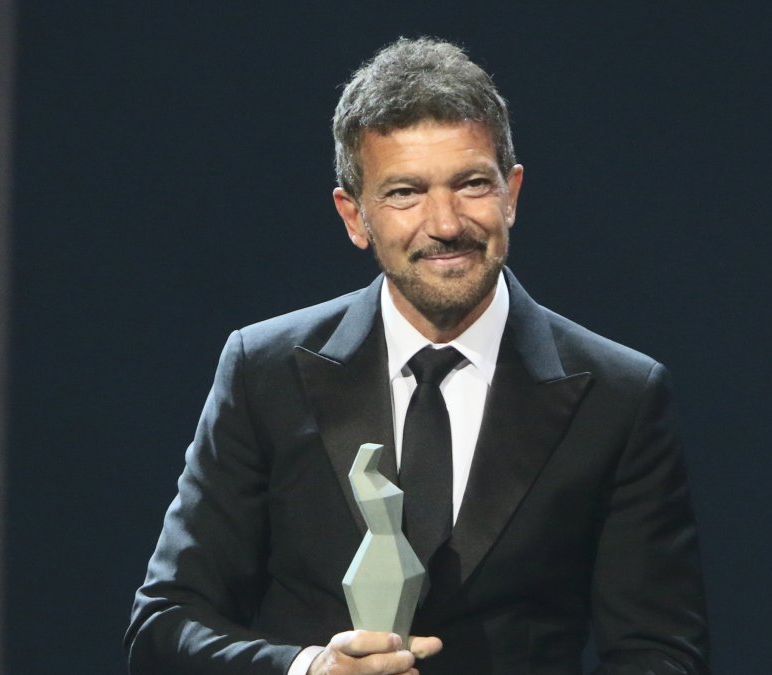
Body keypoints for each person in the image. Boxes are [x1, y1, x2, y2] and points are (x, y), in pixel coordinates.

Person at [126, 37, 708, 675]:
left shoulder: (619, 396)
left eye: (471, 184)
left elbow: (661, 655)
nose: (446, 222)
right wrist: (309, 670)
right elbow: (166, 625)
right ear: (355, 216)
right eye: (405, 193)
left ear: (511, 192)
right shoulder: (265, 371)